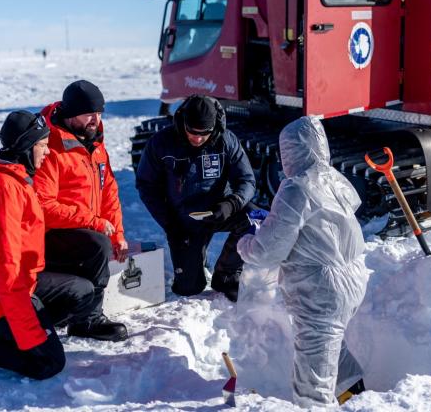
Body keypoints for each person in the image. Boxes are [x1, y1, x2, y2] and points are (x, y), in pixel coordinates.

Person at [0, 110, 98, 379]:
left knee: (83, 294)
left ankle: (4, 326)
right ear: (26, 147)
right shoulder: (2, 191)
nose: (48, 153)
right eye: (42, 146)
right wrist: (30, 331)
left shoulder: (17, 177)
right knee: (48, 363)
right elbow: (6, 271)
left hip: (23, 282)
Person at [236, 116, 367, 407]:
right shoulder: (337, 178)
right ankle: (354, 396)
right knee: (330, 344)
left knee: (313, 377)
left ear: (290, 152)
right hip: (353, 276)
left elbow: (268, 251)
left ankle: (315, 405)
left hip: (322, 288)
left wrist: (246, 244)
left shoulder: (296, 188)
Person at [33, 80, 128, 341]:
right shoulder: (50, 148)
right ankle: (87, 319)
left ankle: (74, 308)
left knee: (99, 242)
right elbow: (42, 206)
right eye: (89, 114)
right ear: (71, 113)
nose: (95, 120)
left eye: (99, 114)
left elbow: (108, 191)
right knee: (97, 244)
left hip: (79, 231)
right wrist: (94, 222)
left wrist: (117, 234)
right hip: (48, 236)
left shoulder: (95, 144)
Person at [135, 94, 255, 302]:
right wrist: (170, 223)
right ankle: (195, 264)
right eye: (192, 132)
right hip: (184, 221)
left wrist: (231, 204)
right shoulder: (161, 143)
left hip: (219, 210)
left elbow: (247, 180)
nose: (198, 139)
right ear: (183, 123)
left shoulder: (226, 140)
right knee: (189, 288)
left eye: (204, 133)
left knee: (255, 217)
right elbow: (147, 185)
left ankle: (226, 274)